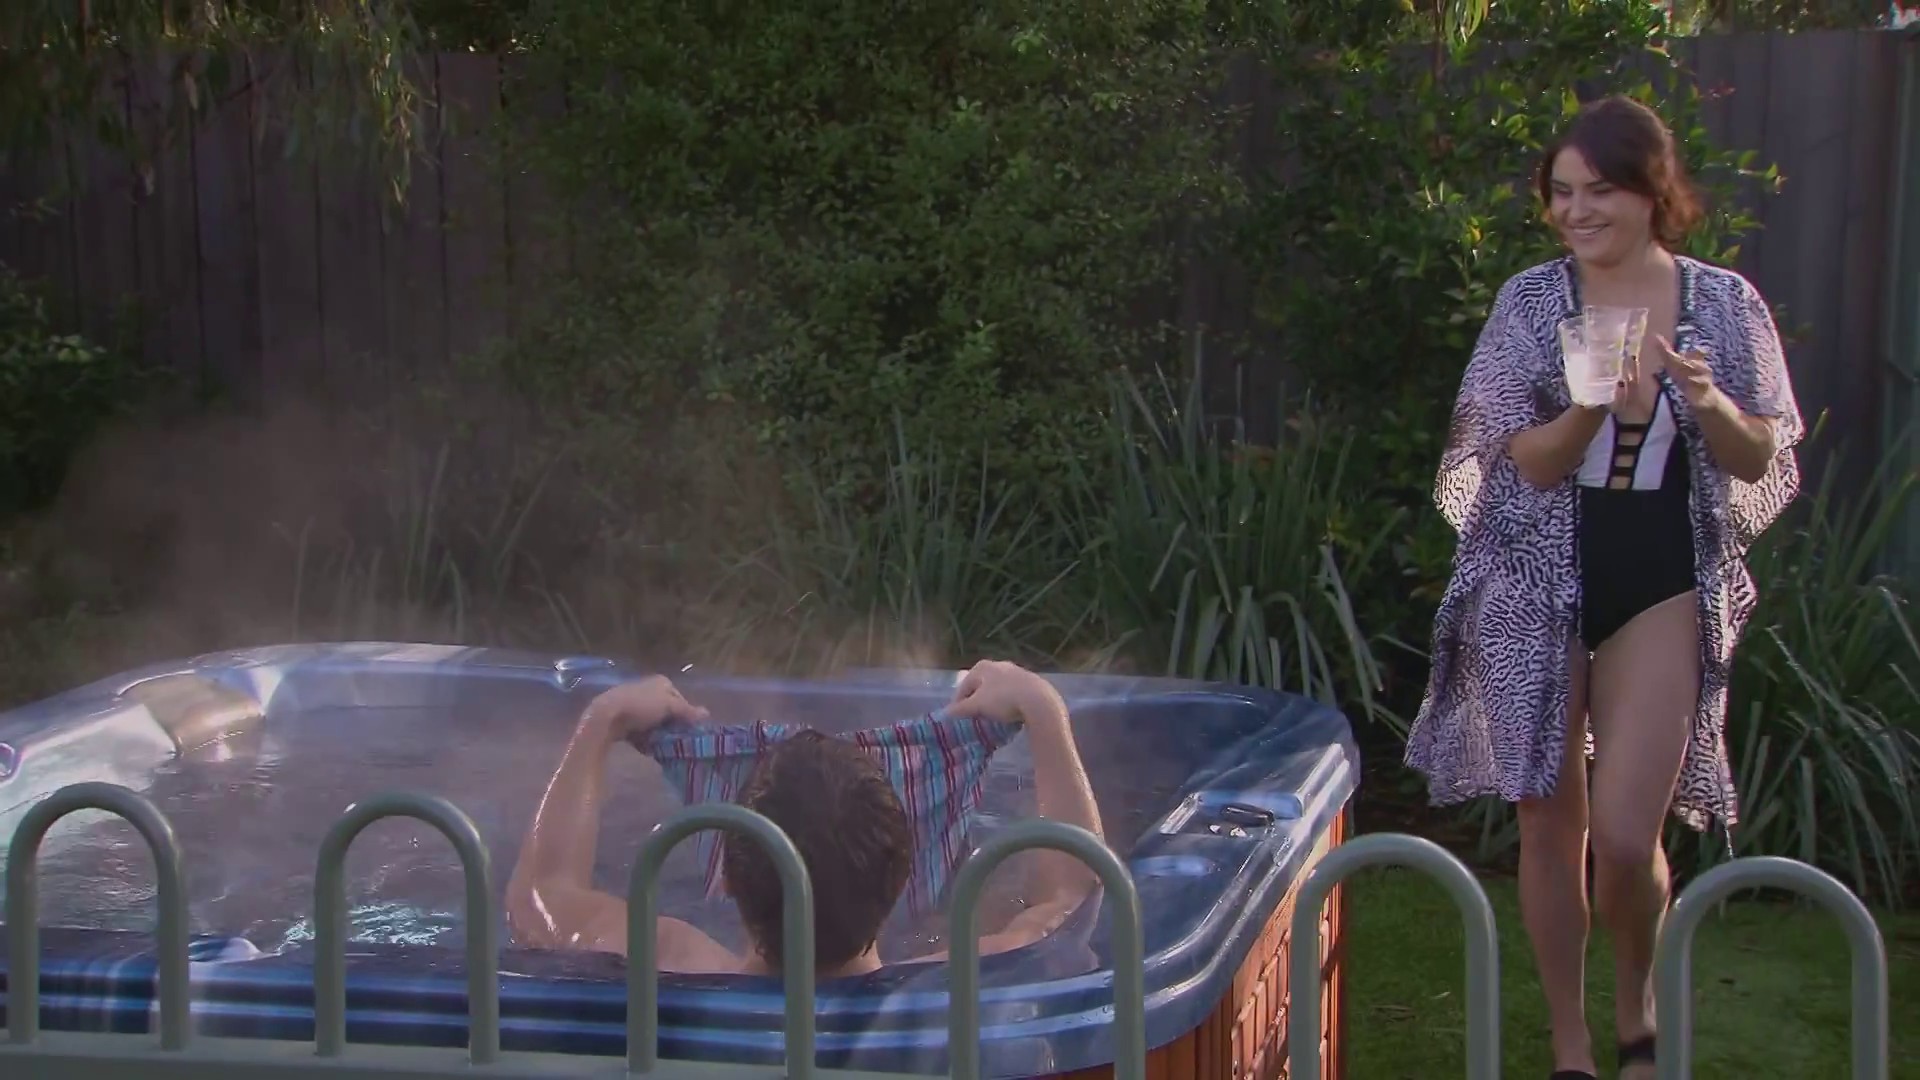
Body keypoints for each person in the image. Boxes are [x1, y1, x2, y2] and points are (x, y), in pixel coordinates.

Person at [1403, 95, 1803, 1080]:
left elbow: (1761, 457)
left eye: (1600, 191)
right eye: (1562, 192)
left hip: (1659, 579)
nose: (1576, 211)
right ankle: (1572, 1041)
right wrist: (1587, 409)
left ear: (1652, 192)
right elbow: (1523, 463)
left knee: (1626, 837)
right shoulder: (1531, 304)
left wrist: (1707, 402)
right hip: (1530, 582)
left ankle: (1635, 994)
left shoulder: (1723, 304)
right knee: (1549, 821)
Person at [505, 659, 1106, 978]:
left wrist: (602, 722)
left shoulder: (675, 960)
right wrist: (1043, 708)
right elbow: (1072, 896)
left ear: (727, 877)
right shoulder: (947, 985)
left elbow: (542, 895)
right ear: (906, 875)